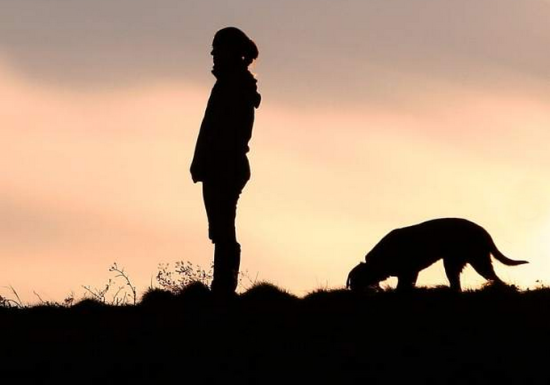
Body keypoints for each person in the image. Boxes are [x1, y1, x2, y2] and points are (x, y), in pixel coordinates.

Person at [190, 27, 261, 297]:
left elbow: (226, 132)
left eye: (217, 48)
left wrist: (209, 161)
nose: (212, 54)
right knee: (220, 228)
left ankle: (223, 287)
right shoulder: (233, 83)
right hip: (221, 166)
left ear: (230, 51)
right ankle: (223, 285)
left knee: (222, 228)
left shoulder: (234, 84)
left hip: (225, 166)